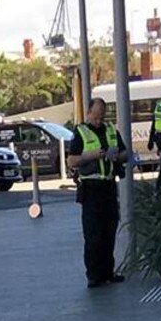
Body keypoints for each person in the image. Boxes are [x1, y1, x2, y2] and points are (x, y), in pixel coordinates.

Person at [67, 97, 128, 289]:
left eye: (101, 117)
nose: (99, 121)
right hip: (91, 189)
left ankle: (108, 272)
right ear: (88, 114)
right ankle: (94, 275)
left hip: (108, 186)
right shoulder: (81, 133)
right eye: (95, 117)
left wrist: (117, 155)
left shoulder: (111, 130)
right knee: (93, 233)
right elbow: (71, 161)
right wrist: (92, 155)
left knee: (109, 230)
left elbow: (127, 153)